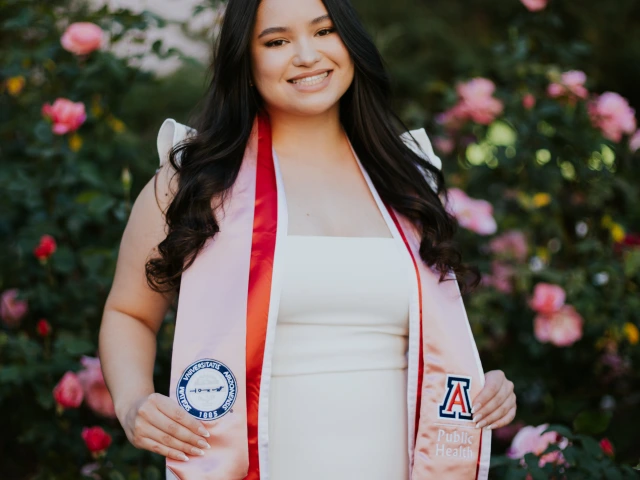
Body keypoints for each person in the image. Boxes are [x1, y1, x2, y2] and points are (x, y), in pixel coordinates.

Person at [99, 0, 517, 478]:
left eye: (324, 32)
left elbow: (434, 342)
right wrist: (133, 403)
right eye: (276, 41)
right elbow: (128, 312)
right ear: (246, 60)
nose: (306, 55)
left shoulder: (407, 179)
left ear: (351, 41)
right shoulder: (196, 182)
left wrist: (482, 391)